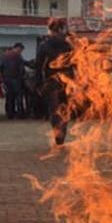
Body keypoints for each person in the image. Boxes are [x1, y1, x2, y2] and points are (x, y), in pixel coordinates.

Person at [36, 18, 74, 146]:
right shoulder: (68, 44)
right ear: (61, 29)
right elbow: (75, 63)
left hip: (51, 81)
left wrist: (38, 83)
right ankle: (61, 135)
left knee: (54, 109)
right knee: (64, 109)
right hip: (67, 80)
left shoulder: (44, 45)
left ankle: (58, 135)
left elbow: (39, 66)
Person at [0, 43, 26, 119]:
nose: (20, 52)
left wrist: (2, 78)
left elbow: (1, 67)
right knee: (18, 97)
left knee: (9, 97)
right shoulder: (18, 56)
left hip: (7, 79)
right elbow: (21, 68)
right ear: (17, 48)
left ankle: (9, 113)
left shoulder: (4, 55)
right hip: (16, 79)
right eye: (20, 50)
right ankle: (20, 114)